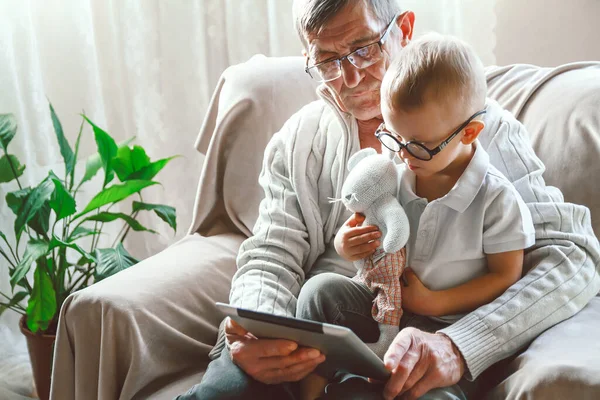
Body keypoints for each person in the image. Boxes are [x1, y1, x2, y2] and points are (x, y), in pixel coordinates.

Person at [298, 33, 537, 399]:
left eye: (419, 146)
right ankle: (311, 392)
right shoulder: (397, 174)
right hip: (386, 309)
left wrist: (435, 303)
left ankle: (358, 387)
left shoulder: (495, 198)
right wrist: (348, 244)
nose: (404, 154)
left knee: (426, 393)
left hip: (448, 329)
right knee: (319, 291)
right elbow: (372, 233)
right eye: (394, 137)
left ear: (469, 132)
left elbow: (507, 275)